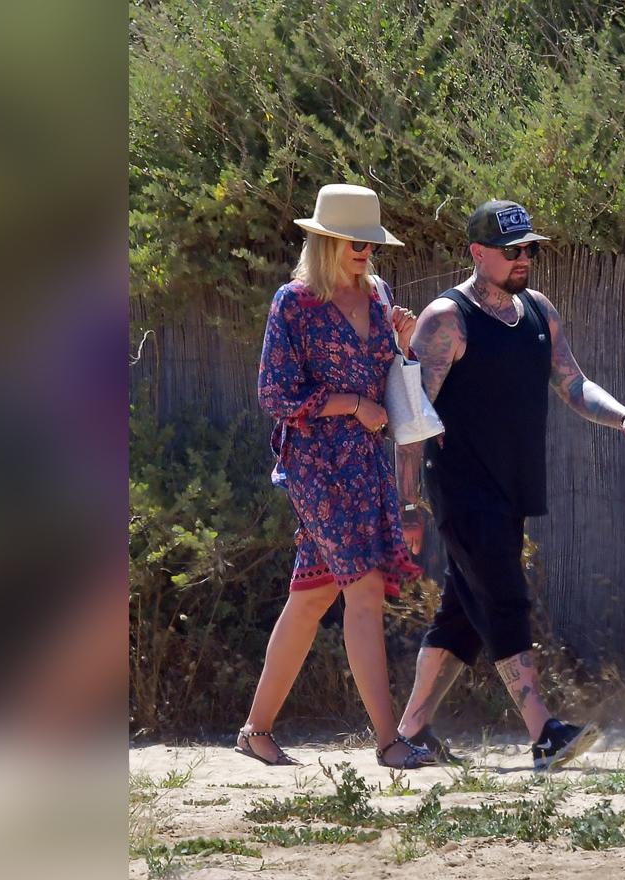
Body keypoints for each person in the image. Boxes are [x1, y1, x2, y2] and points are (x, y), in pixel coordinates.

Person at [394, 199, 625, 770]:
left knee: (462, 615)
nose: (523, 259)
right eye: (511, 250)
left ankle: (410, 730)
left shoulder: (538, 310)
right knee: (505, 598)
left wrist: (624, 417)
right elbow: (411, 418)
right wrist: (408, 503)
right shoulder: (448, 319)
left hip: (513, 487)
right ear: (478, 253)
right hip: (462, 489)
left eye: (529, 249)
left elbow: (573, 382)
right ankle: (544, 733)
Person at [239, 183, 435, 770]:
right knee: (365, 589)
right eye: (356, 242)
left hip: (367, 461)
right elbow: (274, 393)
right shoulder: (293, 303)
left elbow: (394, 382)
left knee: (312, 596)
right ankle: (388, 740)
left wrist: (403, 342)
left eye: (371, 243)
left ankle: (255, 731)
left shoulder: (379, 297)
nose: (366, 253)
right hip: (316, 466)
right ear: (327, 241)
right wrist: (349, 404)